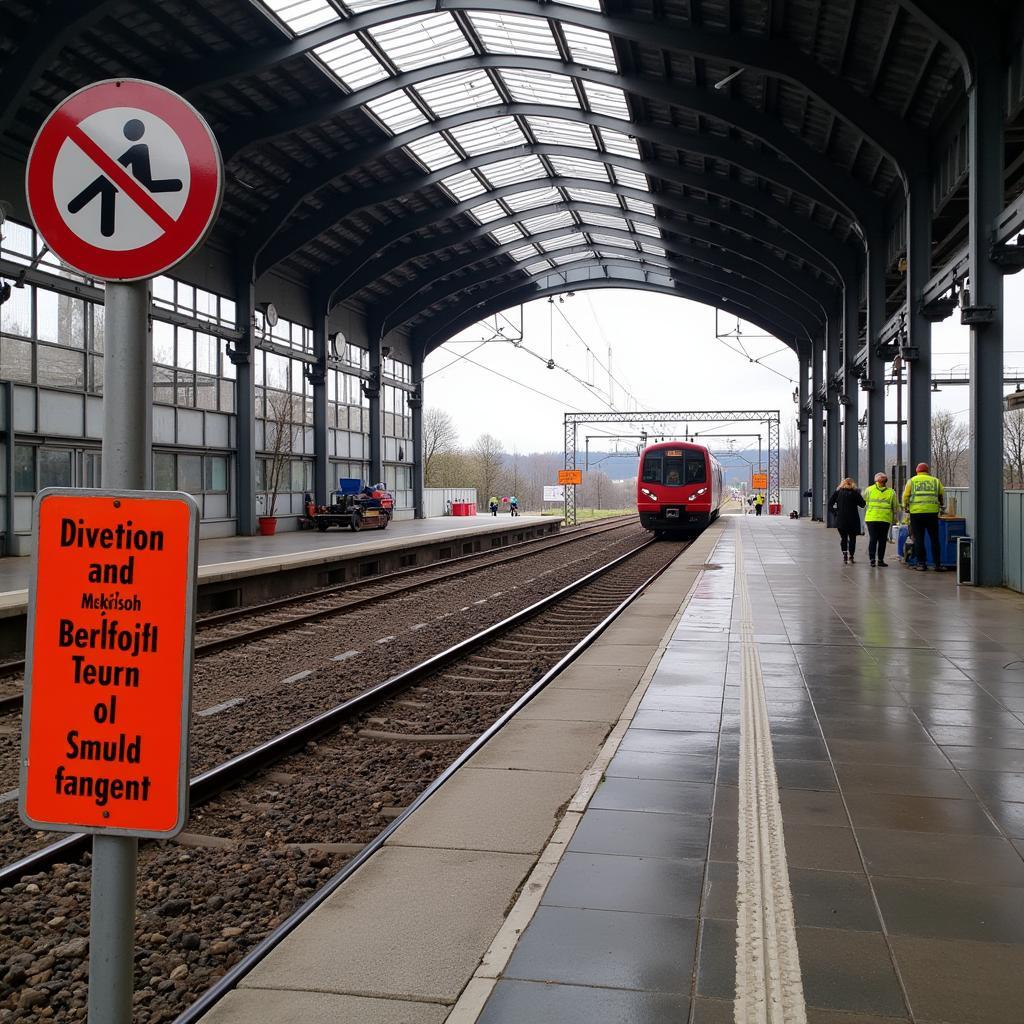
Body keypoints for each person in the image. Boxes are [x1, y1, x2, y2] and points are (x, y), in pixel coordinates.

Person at [902, 462, 946, 571]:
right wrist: (940, 505)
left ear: (917, 471)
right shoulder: (936, 481)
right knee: (934, 539)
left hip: (916, 514)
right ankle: (937, 565)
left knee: (919, 539)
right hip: (932, 514)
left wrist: (906, 507)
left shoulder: (912, 481)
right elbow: (941, 495)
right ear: (927, 471)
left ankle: (921, 564)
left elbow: (905, 496)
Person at [863, 472, 899, 566]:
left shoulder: (869, 490)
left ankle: (872, 560)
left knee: (873, 539)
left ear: (876, 480)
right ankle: (880, 560)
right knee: (882, 540)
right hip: (885, 519)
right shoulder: (891, 492)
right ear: (886, 481)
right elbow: (895, 506)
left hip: (871, 519)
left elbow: (864, 501)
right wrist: (895, 517)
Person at [828, 478, 866, 564]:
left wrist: (835, 513)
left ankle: (844, 555)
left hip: (841, 519)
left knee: (843, 538)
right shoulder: (855, 493)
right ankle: (851, 556)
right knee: (852, 538)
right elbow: (863, 505)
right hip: (853, 519)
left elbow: (830, 504)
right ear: (853, 484)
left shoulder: (838, 492)